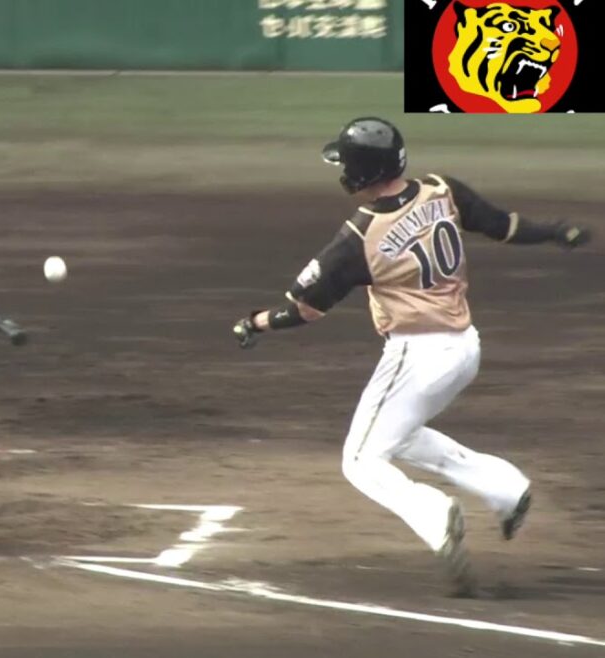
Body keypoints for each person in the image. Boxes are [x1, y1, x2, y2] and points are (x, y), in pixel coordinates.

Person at [231, 116, 591, 596]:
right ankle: (506, 488)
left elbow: (305, 310)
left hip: (416, 356)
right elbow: (503, 226)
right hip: (464, 346)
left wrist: (255, 322)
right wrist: (555, 231)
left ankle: (433, 514)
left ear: (360, 172)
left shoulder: (358, 237)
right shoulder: (443, 190)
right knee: (398, 436)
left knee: (360, 459)